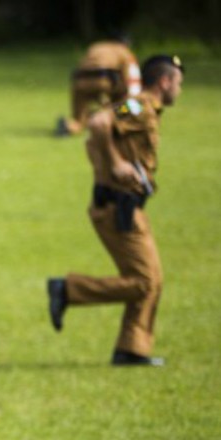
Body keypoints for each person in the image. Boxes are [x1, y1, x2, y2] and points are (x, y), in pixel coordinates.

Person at [47, 55, 185, 366]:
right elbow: (98, 122)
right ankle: (68, 289)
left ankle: (132, 349)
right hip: (117, 208)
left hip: (130, 207)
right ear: (165, 82)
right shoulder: (138, 106)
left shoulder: (144, 109)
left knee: (153, 280)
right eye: (178, 83)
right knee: (143, 282)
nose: (179, 89)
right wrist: (115, 163)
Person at [55, 37, 141, 137]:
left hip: (79, 81)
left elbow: (83, 64)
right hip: (103, 81)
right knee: (123, 97)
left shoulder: (96, 46)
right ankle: (114, 119)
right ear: (126, 45)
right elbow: (127, 79)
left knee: (78, 119)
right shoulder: (123, 51)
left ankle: (69, 125)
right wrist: (131, 102)